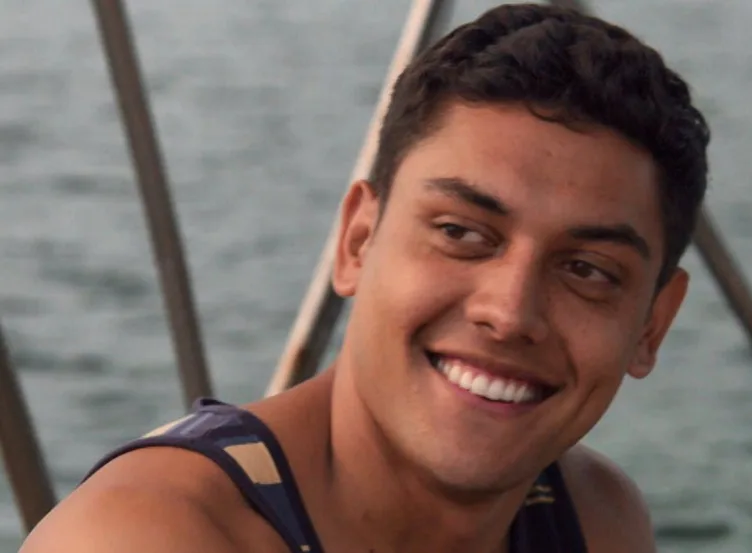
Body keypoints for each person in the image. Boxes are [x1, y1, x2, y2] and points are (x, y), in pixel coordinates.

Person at [20, 3, 709, 552]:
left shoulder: (593, 519)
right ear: (357, 241)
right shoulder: (149, 535)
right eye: (462, 233)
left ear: (652, 323)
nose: (509, 310)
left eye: (587, 270)